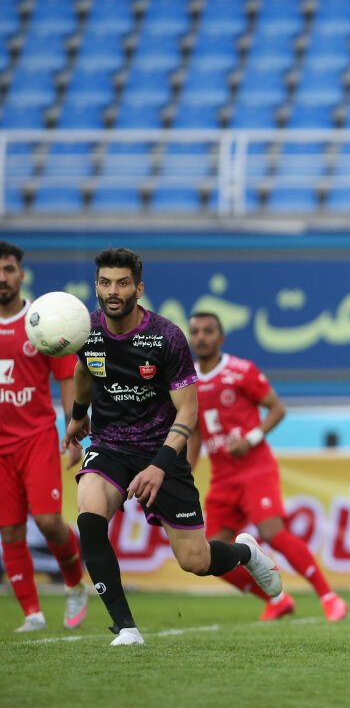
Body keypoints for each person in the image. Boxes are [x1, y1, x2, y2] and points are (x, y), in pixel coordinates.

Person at [62, 247, 282, 646]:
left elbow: (188, 412)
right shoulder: (86, 330)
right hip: (109, 445)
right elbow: (84, 368)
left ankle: (246, 553)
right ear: (96, 286)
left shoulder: (166, 337)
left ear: (138, 289)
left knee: (195, 561)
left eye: (122, 284)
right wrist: (78, 414)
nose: (113, 292)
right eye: (105, 283)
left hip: (161, 450)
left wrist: (159, 465)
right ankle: (125, 627)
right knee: (89, 518)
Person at [188, 312, 347, 622]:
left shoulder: (240, 371)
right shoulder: (187, 382)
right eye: (195, 332)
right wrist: (184, 474)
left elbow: (277, 408)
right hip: (222, 477)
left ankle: (329, 597)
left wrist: (250, 439)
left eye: (208, 331)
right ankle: (276, 599)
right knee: (206, 555)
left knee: (273, 532)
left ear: (221, 338)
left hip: (255, 467)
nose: (201, 337)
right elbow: (194, 434)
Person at [0, 241, 88, 632]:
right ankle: (32, 614)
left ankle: (75, 584)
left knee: (49, 521)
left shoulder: (42, 321)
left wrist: (73, 432)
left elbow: (67, 378)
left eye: (8, 269)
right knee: (10, 530)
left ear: (21, 274)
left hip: (35, 438)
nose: (2, 278)